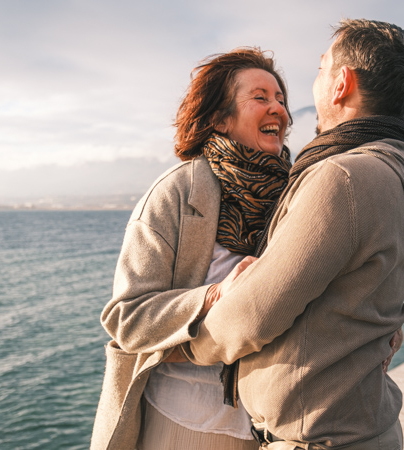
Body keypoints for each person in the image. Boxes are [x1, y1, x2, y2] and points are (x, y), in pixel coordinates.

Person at [183, 19, 404, 449]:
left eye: (320, 69)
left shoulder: (344, 177)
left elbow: (254, 312)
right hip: (358, 426)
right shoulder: (394, 169)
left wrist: (183, 348)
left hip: (319, 437)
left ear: (341, 83)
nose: (310, 86)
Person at [90, 48, 294, 450]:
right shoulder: (175, 194)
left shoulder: (297, 192)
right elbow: (126, 319)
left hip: (275, 427)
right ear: (219, 117)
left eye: (282, 100)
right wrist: (213, 296)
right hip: (187, 423)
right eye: (261, 98)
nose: (279, 110)